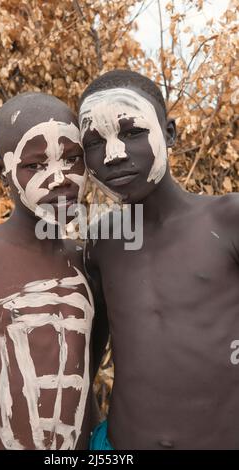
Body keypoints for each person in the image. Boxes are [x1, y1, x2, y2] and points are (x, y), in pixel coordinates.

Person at [80, 69, 239, 450]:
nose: (114, 154)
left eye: (132, 132)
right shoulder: (102, 241)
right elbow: (84, 356)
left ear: (169, 133)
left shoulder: (228, 220)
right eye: (94, 142)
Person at [0, 91, 105, 450]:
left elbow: (83, 375)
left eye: (73, 159)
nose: (60, 177)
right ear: (1, 170)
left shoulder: (88, 261)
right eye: (35, 165)